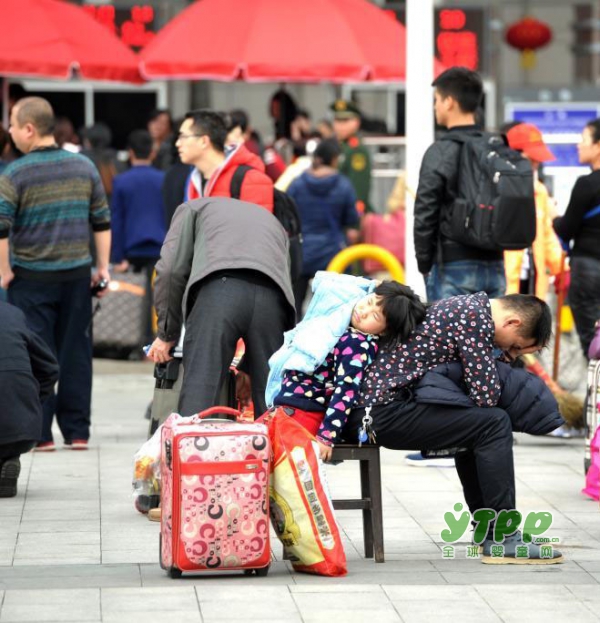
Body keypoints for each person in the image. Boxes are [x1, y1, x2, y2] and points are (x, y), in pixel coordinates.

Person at [342, 289, 564, 563]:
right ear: (513, 323)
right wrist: (502, 364)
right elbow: (486, 395)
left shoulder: (465, 307)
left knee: (478, 424)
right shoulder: (474, 317)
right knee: (493, 422)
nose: (509, 354)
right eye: (515, 346)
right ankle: (502, 537)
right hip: (378, 414)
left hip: (372, 411)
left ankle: (490, 531)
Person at [0, 97, 111, 451]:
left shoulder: (14, 173)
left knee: (36, 355)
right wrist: (103, 269)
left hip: (29, 279)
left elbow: (2, 228)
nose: (11, 132)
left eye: (14, 125)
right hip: (78, 276)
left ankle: (42, 433)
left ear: (29, 129)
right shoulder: (84, 167)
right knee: (76, 352)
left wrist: (3, 271)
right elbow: (101, 221)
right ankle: (78, 432)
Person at [148, 197, 295, 417]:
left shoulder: (190, 209)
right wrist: (247, 368)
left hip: (219, 291)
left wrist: (167, 333)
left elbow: (170, 270)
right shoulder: (271, 220)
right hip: (273, 298)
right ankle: (275, 451)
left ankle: (193, 449)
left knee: (200, 391)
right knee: (272, 400)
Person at [269, 276, 426, 462]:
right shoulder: (343, 325)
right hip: (290, 409)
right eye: (368, 301)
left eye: (375, 316)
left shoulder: (357, 343)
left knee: (267, 463)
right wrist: (369, 285)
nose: (364, 311)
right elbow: (326, 282)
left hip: (304, 414)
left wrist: (327, 436)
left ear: (385, 330)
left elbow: (346, 391)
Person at [414, 67, 505, 302]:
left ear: (449, 102)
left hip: (453, 265)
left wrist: (425, 262)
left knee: (449, 338)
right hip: (495, 262)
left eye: (437, 100)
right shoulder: (496, 147)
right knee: (490, 337)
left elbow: (425, 211)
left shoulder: (441, 151)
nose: (435, 106)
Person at [287, 138, 360, 318]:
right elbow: (352, 223)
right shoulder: (343, 185)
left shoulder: (297, 184)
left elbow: (287, 217)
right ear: (334, 159)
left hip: (302, 253)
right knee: (334, 310)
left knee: (293, 307)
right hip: (333, 255)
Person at [110, 129, 167, 344]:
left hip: (132, 248)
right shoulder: (163, 179)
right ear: (153, 153)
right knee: (160, 296)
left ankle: (135, 338)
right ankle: (158, 338)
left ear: (130, 152)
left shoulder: (121, 181)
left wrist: (118, 257)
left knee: (135, 295)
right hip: (160, 246)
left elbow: (117, 220)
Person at [0, 300, 58, 497]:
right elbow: (50, 369)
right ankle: (8, 457)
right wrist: (29, 404)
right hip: (25, 430)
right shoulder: (13, 314)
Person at [553, 118, 600, 359]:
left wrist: (554, 218)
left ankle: (595, 394)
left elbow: (566, 229)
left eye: (583, 140)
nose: (578, 146)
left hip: (588, 268)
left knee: (593, 342)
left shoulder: (587, 184)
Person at [503, 123, 564, 299]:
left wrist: (560, 269)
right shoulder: (497, 189)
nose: (536, 164)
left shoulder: (539, 190)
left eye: (537, 160)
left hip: (533, 277)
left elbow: (546, 234)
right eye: (531, 159)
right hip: (504, 281)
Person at [178, 109, 274, 212]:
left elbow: (258, 226)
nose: (178, 143)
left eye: (183, 137)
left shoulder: (251, 179)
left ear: (204, 141)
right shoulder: (194, 179)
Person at [331, 99, 372, 215]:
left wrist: (355, 218)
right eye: (338, 120)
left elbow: (359, 187)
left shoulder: (357, 151)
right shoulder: (335, 146)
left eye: (345, 120)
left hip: (348, 213)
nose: (341, 125)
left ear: (356, 122)